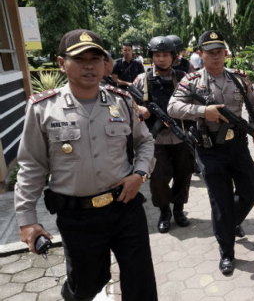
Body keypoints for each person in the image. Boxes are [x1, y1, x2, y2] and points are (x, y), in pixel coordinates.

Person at [14, 29, 157, 301]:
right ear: (61, 63)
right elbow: (31, 166)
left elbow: (145, 143)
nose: (90, 65)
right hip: (77, 217)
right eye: (80, 59)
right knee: (86, 285)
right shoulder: (43, 108)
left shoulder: (123, 101)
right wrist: (27, 220)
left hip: (125, 208)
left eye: (96, 58)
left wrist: (140, 174)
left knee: (141, 284)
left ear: (105, 63)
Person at [168, 30, 254, 275]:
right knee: (220, 202)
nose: (216, 57)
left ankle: (230, 223)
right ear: (200, 54)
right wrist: (202, 111)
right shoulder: (191, 81)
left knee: (251, 191)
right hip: (209, 149)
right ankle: (227, 253)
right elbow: (172, 107)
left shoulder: (239, 78)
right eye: (210, 53)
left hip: (238, 145)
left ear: (225, 53)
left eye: (220, 52)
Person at [134, 36, 195, 234]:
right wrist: (140, 110)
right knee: (159, 178)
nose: (161, 59)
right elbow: (128, 103)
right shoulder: (141, 79)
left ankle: (178, 210)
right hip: (155, 138)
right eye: (157, 55)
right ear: (151, 57)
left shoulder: (183, 77)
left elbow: (194, 100)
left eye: (165, 55)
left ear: (173, 57)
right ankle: (164, 212)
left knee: (183, 174)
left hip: (181, 135)